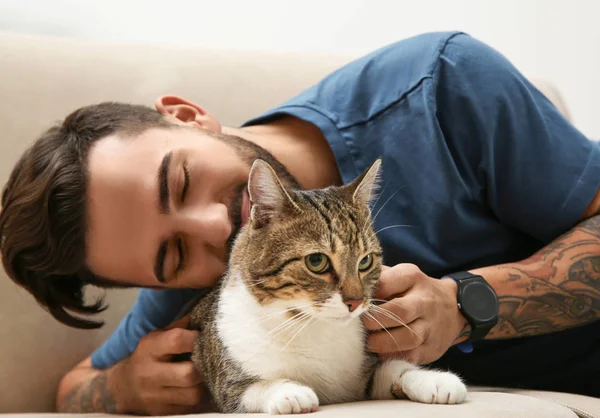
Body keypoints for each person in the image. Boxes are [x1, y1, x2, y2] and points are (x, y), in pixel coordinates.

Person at [2, 30, 600, 415]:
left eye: (180, 181)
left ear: (187, 116)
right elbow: (74, 385)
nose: (215, 226)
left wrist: (467, 300)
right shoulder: (218, 278)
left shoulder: (440, 84)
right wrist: (125, 388)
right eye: (173, 255)